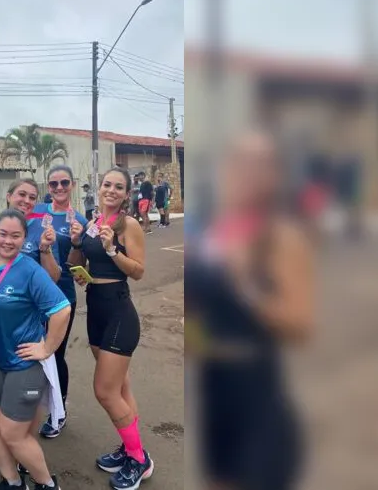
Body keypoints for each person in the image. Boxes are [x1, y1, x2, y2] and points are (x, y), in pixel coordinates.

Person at [185, 129, 311, 490]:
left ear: (275, 175)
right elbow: (201, 314)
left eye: (261, 164)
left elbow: (300, 326)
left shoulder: (282, 237)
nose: (248, 173)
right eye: (240, 162)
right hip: (214, 390)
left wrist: (246, 286)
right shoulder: (211, 233)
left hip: (258, 393)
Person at [67, 166, 154, 490]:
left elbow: (139, 271)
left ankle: (139, 458)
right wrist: (78, 250)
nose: (112, 190)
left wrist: (112, 250)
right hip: (96, 309)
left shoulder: (128, 225)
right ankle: (130, 447)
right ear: (99, 189)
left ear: (127, 194)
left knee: (105, 391)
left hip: (119, 311)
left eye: (119, 187)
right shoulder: (93, 223)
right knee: (119, 388)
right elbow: (78, 260)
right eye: (107, 185)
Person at [0, 209, 72, 490]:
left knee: (12, 433)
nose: (8, 241)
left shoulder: (30, 270)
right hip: (0, 359)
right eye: (3, 234)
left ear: (24, 238)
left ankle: (46, 484)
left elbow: (61, 310)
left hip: (25, 363)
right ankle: (14, 482)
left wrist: (47, 348)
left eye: (15, 236)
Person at [33, 165, 89, 438]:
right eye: (53, 183)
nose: (58, 188)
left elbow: (81, 264)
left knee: (55, 354)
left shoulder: (79, 219)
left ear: (72, 184)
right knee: (32, 353)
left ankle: (59, 409)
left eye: (64, 182)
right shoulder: (36, 216)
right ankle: (32, 406)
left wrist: (78, 243)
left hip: (62, 296)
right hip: (31, 297)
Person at [0, 178, 60, 283]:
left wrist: (45, 249)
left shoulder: (45, 231)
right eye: (22, 194)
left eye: (32, 198)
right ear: (8, 197)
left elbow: (53, 278)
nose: (26, 201)